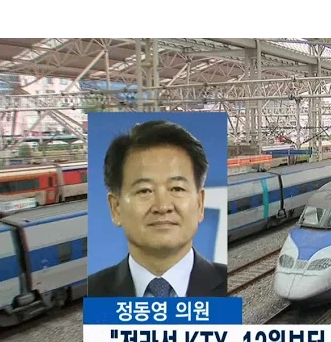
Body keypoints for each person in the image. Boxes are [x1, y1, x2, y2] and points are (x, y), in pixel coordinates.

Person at [87, 120, 228, 297]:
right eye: (144, 190)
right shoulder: (92, 292)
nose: (163, 206)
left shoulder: (227, 285)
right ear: (116, 208)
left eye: (177, 188)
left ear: (200, 204)